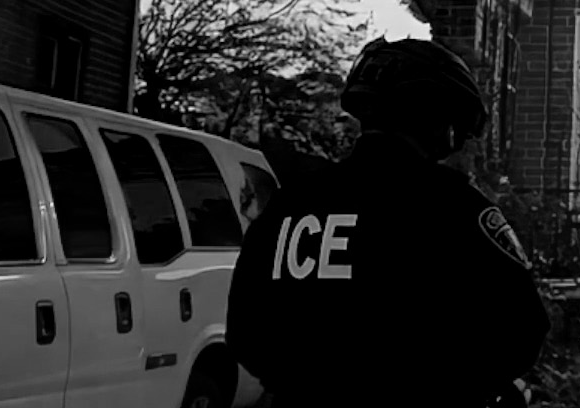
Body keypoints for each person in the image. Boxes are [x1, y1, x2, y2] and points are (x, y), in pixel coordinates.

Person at [227, 38, 552, 408]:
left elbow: (244, 330)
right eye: (455, 125)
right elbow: (521, 331)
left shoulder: (292, 205)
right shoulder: (452, 208)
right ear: (436, 120)